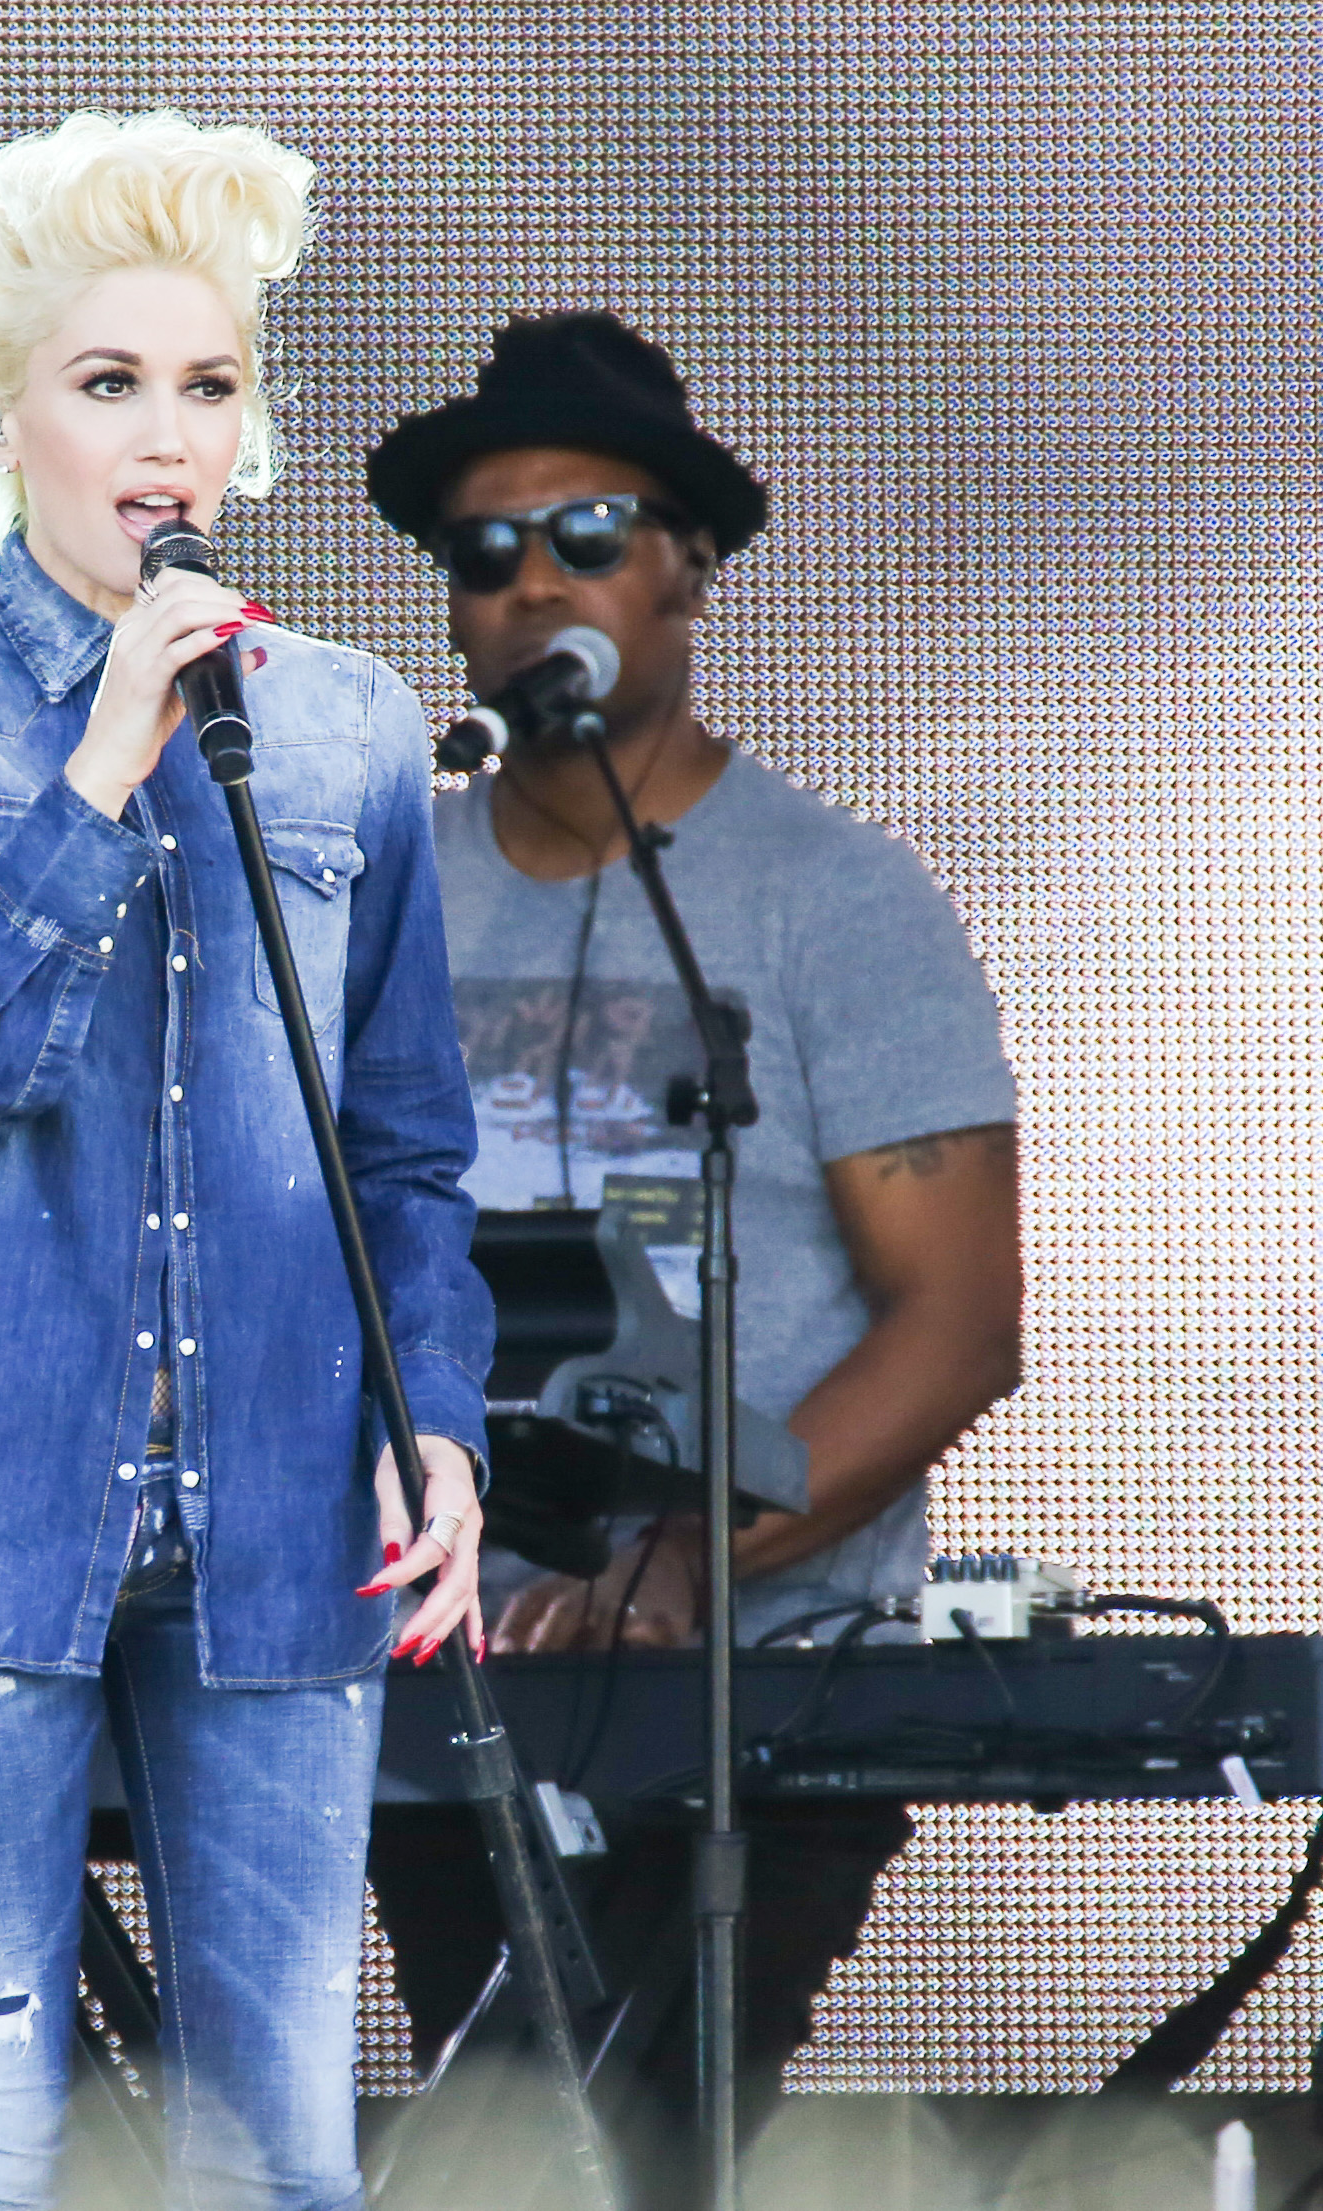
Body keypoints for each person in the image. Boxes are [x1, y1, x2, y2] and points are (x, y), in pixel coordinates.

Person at [0, 113, 495, 2211]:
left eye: (206, 383)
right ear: (2, 414)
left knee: (279, 2156)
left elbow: (404, 1148)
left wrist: (436, 1426)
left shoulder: (346, 728)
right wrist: (99, 770)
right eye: (109, 382)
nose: (167, 436)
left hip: (284, 1511)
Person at [359, 313, 1025, 2201]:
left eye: (584, 533)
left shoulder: (835, 900)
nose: (530, 582)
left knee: (641, 2136)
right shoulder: (376, 897)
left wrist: (695, 1559)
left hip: (765, 1672)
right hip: (445, 1661)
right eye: (484, 551)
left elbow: (958, 1321)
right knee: (500, 2134)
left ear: (688, 569)